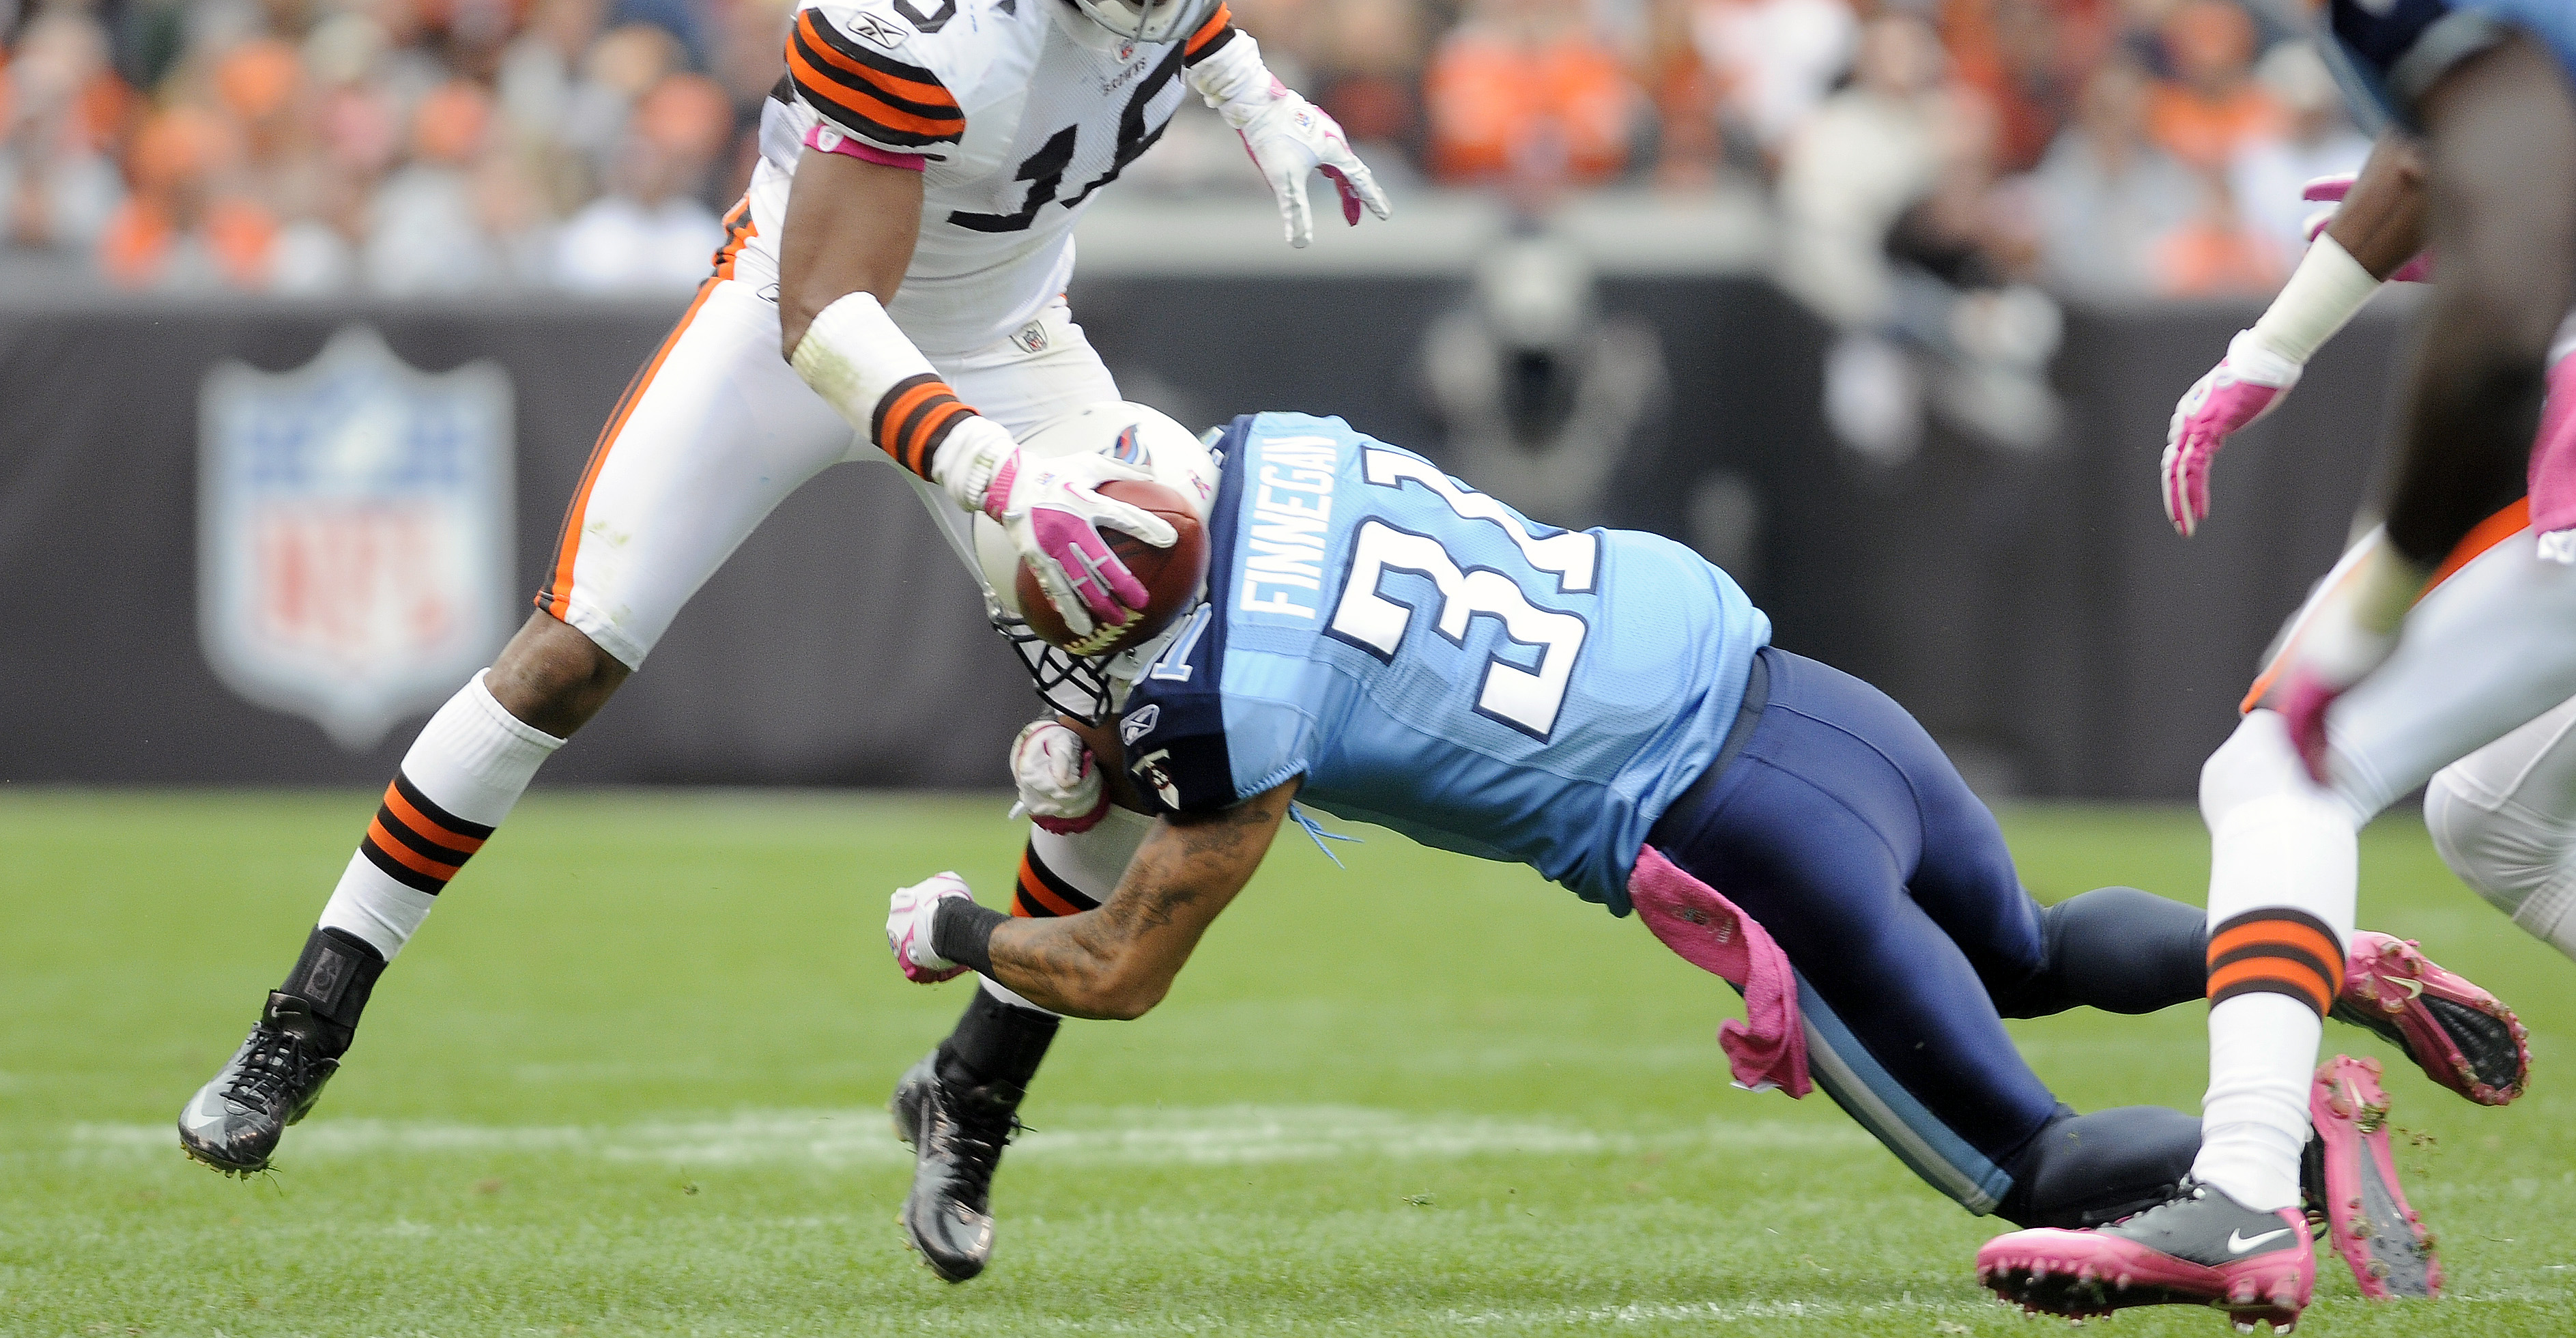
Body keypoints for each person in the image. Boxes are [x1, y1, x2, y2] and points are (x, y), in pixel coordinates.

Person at [173, 0, 1388, 1224]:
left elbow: (1174, 11)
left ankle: (975, 1085)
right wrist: (990, 466)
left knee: (1145, 708)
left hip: (1012, 331)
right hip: (803, 312)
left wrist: (1254, 93)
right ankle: (308, 1014)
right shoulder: (913, 2)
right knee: (574, 647)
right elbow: (830, 316)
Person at [879, 405, 2521, 1289]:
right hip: (1804, 696)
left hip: (1734, 837)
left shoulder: (1233, 700)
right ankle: (2324, 968)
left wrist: (954, 928)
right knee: (2024, 942)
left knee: (2027, 1160)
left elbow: (1119, 966)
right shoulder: (1278, 450)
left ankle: (2272, 1159)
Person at [1979, 0, 2576, 1324]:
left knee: (2282, 769)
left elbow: (2505, 218)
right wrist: (2272, 344)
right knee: (2495, 812)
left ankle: (2241, 1184)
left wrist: (2381, 586)